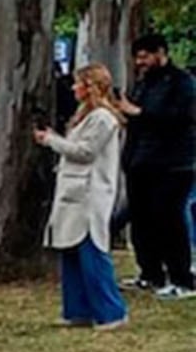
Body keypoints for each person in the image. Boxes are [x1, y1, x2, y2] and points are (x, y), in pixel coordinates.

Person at [37, 64, 129, 329]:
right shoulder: (85, 116)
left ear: (90, 87)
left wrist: (51, 141)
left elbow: (86, 152)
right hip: (73, 191)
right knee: (72, 252)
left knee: (92, 252)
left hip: (90, 192)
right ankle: (78, 309)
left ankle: (111, 311)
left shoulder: (103, 118)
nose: (74, 89)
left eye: (79, 84)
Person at [118, 33, 196, 296]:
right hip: (140, 162)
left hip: (174, 164)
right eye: (137, 57)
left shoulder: (182, 83)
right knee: (141, 221)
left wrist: (139, 113)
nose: (140, 62)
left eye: (145, 56)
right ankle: (150, 273)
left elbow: (181, 119)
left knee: (169, 220)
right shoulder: (142, 84)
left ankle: (181, 278)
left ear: (161, 53)